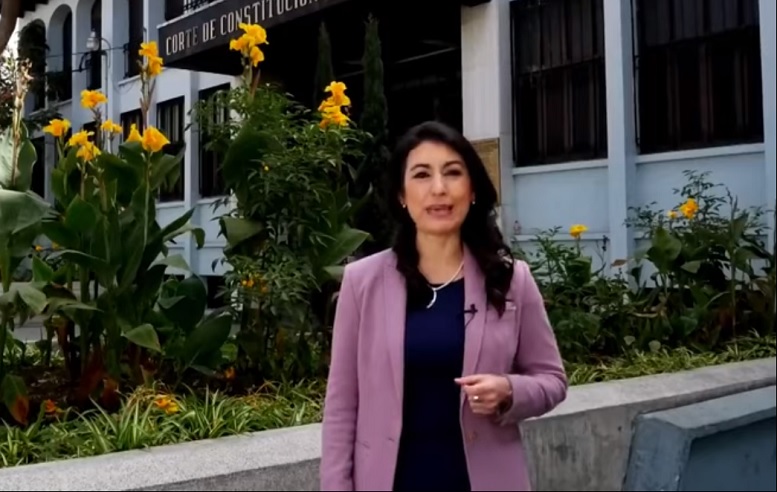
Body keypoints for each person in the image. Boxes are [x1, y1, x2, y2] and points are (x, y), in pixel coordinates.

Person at [320, 121, 568, 491]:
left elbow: (553, 380)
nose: (439, 188)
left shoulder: (511, 280)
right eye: (422, 175)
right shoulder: (362, 282)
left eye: (452, 173)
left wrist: (509, 390)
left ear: (472, 190)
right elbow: (341, 408)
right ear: (402, 195)